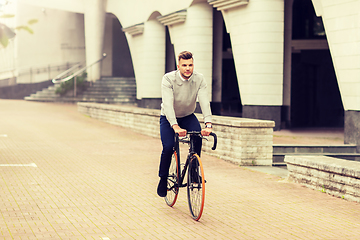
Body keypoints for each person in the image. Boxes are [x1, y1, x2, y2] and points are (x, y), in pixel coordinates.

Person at [157, 50, 213, 197]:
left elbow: (205, 101)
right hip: (169, 118)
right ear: (178, 66)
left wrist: (208, 123)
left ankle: (194, 172)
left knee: (197, 138)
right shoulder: (168, 79)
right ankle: (163, 179)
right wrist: (175, 126)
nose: (188, 68)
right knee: (168, 147)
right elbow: (168, 104)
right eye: (184, 65)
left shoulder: (199, 79)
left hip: (188, 116)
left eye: (190, 65)